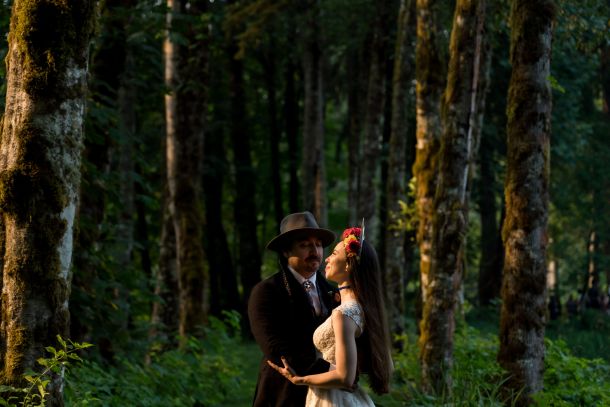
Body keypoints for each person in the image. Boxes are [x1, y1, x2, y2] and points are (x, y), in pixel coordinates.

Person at [268, 226, 393, 406]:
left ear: (349, 264)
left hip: (334, 400)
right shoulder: (363, 307)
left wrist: (300, 380)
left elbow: (344, 378)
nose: (326, 257)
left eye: (334, 253)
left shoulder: (343, 313)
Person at [248, 211, 340, 407]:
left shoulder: (334, 291)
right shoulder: (266, 291)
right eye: (305, 245)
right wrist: (335, 371)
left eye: (317, 244)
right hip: (283, 391)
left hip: (330, 394)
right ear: (286, 251)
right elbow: (275, 348)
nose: (314, 251)